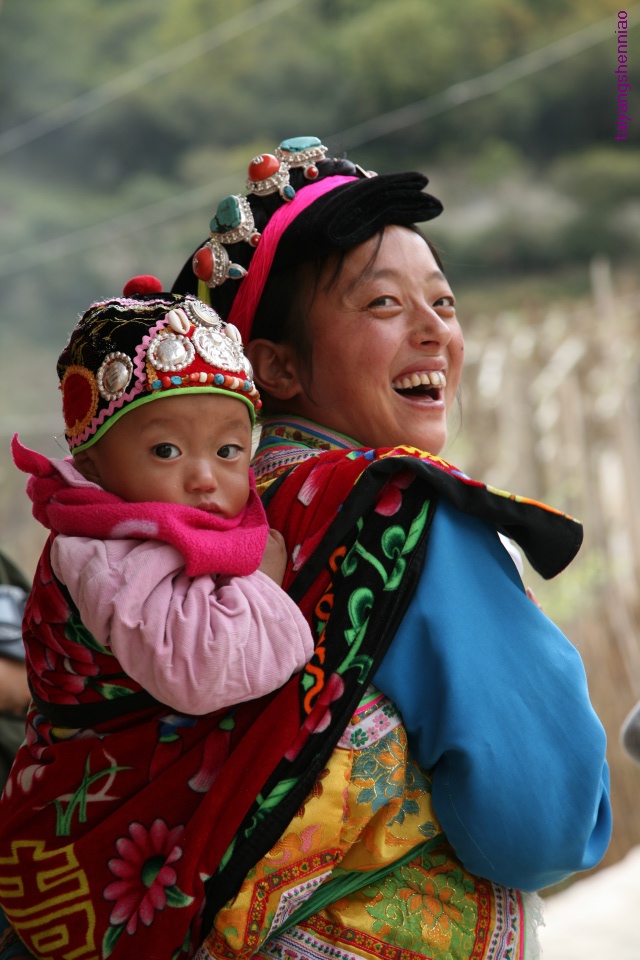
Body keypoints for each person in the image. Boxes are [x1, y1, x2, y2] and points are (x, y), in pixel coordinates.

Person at [0, 139, 611, 960]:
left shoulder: (143, 518)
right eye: (385, 306)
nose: (434, 332)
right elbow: (538, 825)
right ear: (274, 365)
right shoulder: (398, 513)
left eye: (446, 303)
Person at [0, 283, 313, 959]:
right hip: (89, 828)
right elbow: (204, 667)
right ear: (92, 465)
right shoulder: (105, 550)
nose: (205, 478)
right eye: (167, 452)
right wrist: (263, 578)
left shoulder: (141, 528)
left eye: (230, 452)